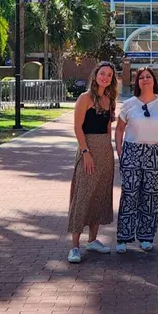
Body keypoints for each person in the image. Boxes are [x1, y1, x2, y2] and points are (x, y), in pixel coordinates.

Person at [113, 67, 158, 253]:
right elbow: (120, 129)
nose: (145, 79)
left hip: (155, 153)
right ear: (137, 82)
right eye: (141, 77)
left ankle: (146, 236)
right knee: (129, 194)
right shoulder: (129, 104)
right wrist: (120, 149)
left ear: (154, 81)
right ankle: (124, 237)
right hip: (132, 151)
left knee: (151, 196)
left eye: (148, 77)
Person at [66, 62, 117, 264]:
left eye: (109, 75)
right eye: (102, 73)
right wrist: (86, 152)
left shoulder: (109, 99)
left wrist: (109, 149)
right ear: (95, 75)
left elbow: (108, 128)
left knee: (99, 195)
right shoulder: (84, 98)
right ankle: (74, 247)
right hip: (88, 149)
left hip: (105, 151)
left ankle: (93, 240)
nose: (105, 77)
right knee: (83, 195)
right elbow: (77, 127)